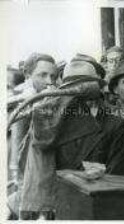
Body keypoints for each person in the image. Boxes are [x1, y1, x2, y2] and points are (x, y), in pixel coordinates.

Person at [18, 57, 124, 220]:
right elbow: (34, 168)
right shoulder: (51, 126)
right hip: (58, 210)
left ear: (96, 90)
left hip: (95, 210)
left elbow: (119, 177)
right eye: (73, 90)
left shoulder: (116, 125)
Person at [7, 53, 58, 219]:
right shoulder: (15, 97)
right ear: (27, 75)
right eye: (42, 75)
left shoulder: (51, 99)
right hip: (16, 177)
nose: (49, 81)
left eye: (53, 76)